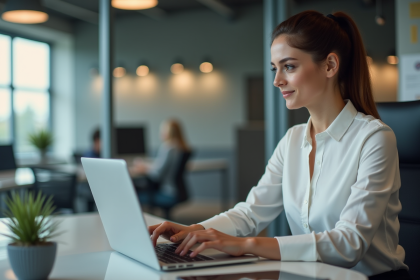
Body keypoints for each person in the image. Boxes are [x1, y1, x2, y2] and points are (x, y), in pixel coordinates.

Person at [148, 11, 410, 280]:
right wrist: (193, 229)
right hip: (311, 275)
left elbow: (349, 243)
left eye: (289, 66)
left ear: (330, 65)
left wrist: (246, 245)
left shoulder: (375, 138)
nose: (277, 80)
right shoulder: (293, 140)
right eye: (275, 68)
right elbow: (251, 214)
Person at [133, 119, 191, 202]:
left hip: (167, 192)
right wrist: (148, 166)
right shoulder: (180, 148)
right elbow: (161, 166)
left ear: (168, 132)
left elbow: (157, 175)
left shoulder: (168, 148)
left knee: (136, 194)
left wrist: (144, 169)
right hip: (177, 191)